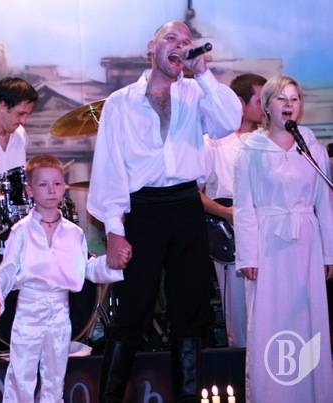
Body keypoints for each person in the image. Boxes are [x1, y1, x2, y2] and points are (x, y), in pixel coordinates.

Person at [87, 21, 242, 402]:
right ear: (151, 47)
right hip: (142, 209)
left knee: (189, 314)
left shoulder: (197, 93)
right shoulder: (121, 102)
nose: (180, 46)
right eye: (171, 39)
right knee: (131, 313)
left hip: (186, 205)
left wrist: (202, 73)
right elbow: (109, 167)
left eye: (187, 42)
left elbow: (229, 123)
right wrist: (114, 228)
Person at [0, 155, 125, 402]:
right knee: (21, 377)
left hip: (60, 312)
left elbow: (85, 269)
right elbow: (8, 269)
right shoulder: (21, 230)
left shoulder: (74, 233)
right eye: (43, 184)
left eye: (57, 183)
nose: (51, 190)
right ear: (30, 190)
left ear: (64, 187)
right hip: (29, 309)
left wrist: (113, 264)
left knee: (54, 379)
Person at [234, 76, 333, 403]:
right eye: (281, 99)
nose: (289, 105)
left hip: (307, 245)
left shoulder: (311, 147)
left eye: (294, 99)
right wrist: (248, 256)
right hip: (268, 247)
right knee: (270, 323)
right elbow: (244, 206)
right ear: (267, 106)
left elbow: (324, 203)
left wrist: (328, 253)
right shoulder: (251, 150)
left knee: (308, 319)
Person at [199, 73, 267, 348]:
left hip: (268, 233)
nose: (266, 106)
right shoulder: (212, 141)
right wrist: (227, 214)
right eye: (260, 100)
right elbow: (194, 194)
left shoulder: (269, 141)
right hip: (229, 235)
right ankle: (240, 366)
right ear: (240, 102)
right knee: (238, 313)